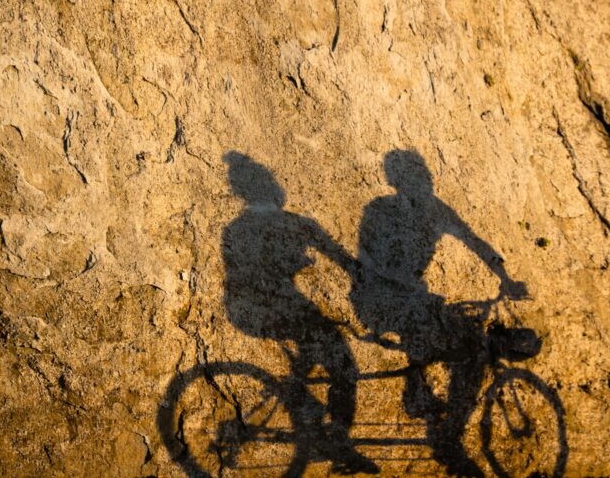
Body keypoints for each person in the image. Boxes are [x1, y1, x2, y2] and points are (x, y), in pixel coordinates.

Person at [352, 149, 526, 476]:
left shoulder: (436, 209)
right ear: (396, 180)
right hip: (377, 295)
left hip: (414, 296)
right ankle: (424, 403)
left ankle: (445, 424)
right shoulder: (380, 209)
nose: (423, 181)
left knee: (470, 341)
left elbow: (474, 241)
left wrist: (505, 278)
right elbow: (368, 260)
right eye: (414, 175)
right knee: (435, 320)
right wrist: (405, 283)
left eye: (425, 175)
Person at [221, 151, 378, 474]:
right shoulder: (287, 225)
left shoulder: (240, 228)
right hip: (268, 307)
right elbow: (344, 261)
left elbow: (343, 260)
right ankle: (336, 442)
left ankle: (307, 410)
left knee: (319, 346)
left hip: (252, 310)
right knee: (344, 363)